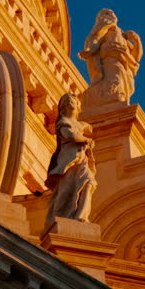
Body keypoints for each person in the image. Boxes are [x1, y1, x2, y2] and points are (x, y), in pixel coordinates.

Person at [45, 93, 96, 225]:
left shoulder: (79, 124)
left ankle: (81, 216)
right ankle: (57, 219)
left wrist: (87, 128)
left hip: (82, 160)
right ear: (62, 108)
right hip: (68, 162)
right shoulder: (63, 122)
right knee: (65, 192)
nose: (70, 101)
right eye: (67, 101)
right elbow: (70, 135)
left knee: (88, 183)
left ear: (79, 106)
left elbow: (84, 126)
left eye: (73, 100)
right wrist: (86, 139)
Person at [78, 9, 143, 105]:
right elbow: (96, 37)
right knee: (115, 79)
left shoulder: (122, 35)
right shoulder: (106, 25)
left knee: (129, 85)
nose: (112, 14)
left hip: (124, 61)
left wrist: (136, 40)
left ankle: (115, 97)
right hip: (111, 56)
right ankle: (112, 97)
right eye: (107, 13)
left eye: (112, 13)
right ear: (102, 17)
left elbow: (136, 57)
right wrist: (90, 49)